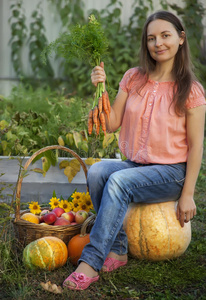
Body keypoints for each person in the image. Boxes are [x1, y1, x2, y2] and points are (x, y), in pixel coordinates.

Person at [63, 10, 206, 290]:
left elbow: (197, 145)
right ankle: (117, 250)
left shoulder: (191, 90)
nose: (158, 43)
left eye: (165, 35)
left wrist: (188, 194)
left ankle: (90, 263)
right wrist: (101, 89)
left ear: (180, 38)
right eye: (151, 38)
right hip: (137, 166)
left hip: (171, 173)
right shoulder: (133, 78)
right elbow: (112, 124)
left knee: (118, 181)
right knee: (98, 171)